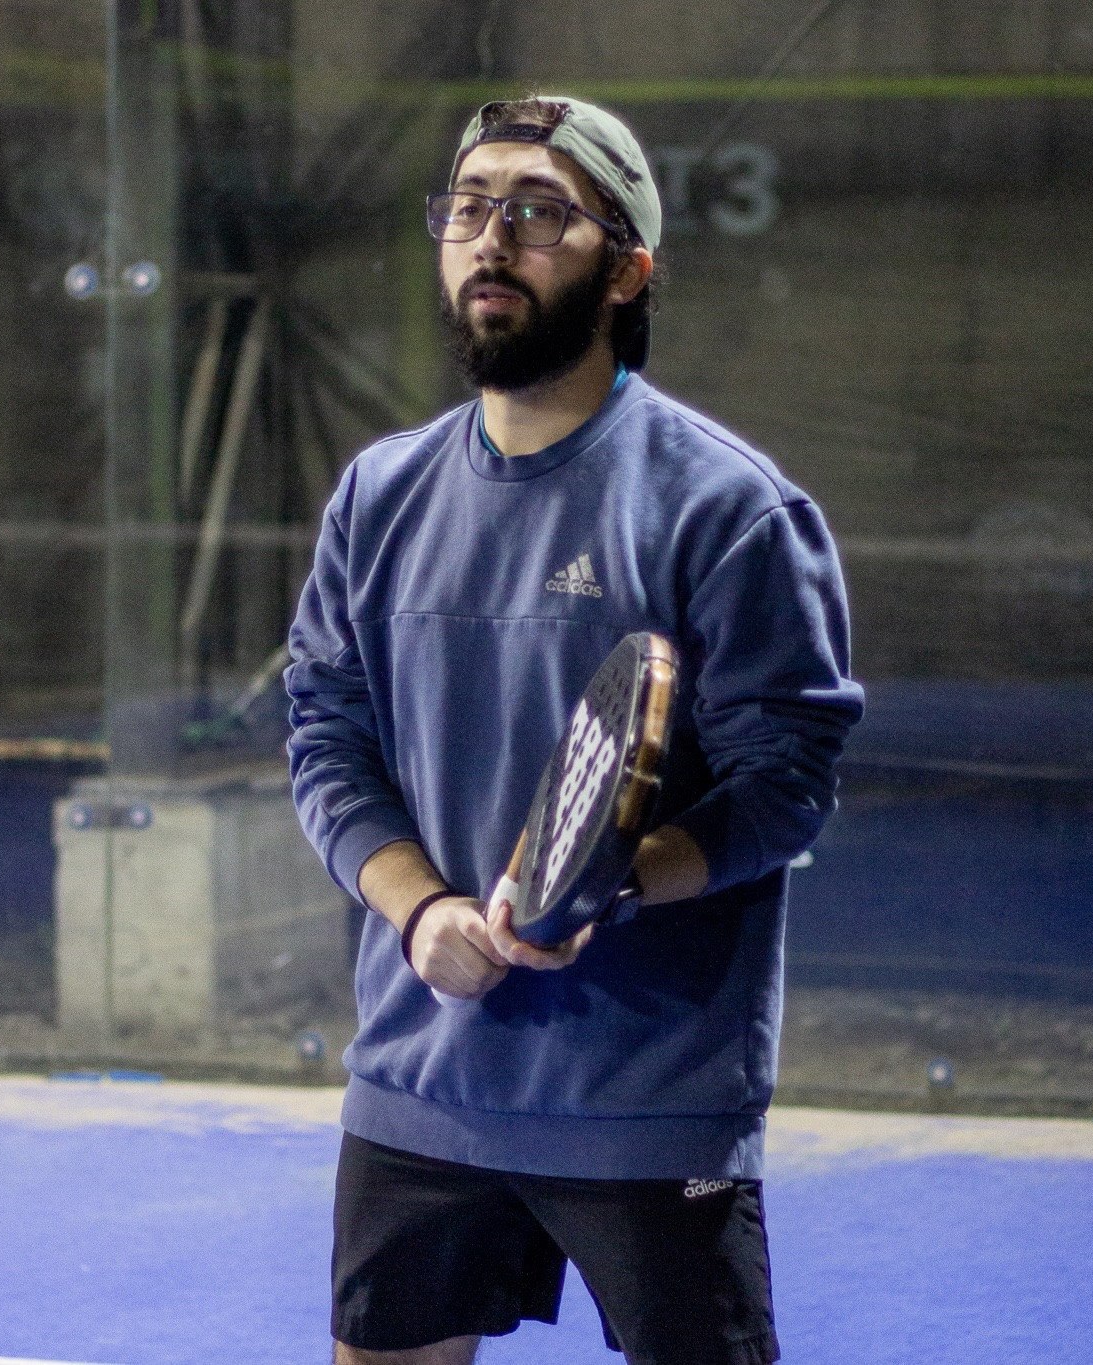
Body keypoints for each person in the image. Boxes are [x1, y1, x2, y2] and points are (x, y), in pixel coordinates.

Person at [286, 95, 864, 1365]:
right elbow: (325, 736)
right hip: (419, 1084)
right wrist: (421, 914)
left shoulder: (731, 510)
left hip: (650, 1099)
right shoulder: (378, 496)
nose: (492, 236)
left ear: (628, 271)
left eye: (540, 211)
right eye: (468, 206)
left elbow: (784, 782)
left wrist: (607, 884)